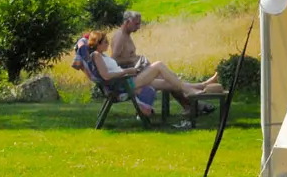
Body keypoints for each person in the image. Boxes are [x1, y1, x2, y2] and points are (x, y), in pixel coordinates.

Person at [84, 31, 222, 117]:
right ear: (98, 43)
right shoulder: (96, 55)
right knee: (158, 65)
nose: (108, 44)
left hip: (127, 80)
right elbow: (106, 76)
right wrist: (127, 71)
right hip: (125, 84)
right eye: (105, 42)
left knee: (169, 83)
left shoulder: (102, 55)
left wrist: (131, 70)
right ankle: (191, 90)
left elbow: (110, 72)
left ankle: (201, 85)